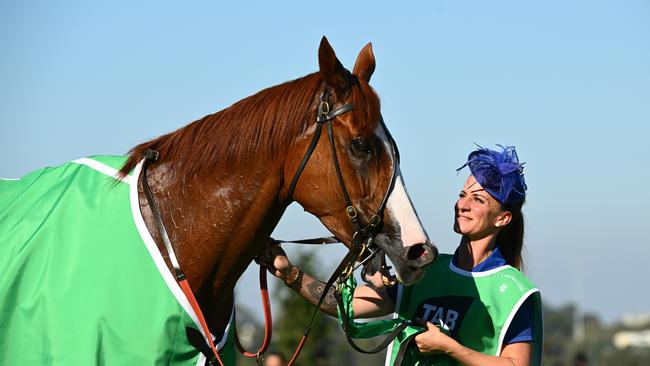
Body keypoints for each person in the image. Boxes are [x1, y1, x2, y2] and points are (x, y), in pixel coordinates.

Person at [258, 145, 543, 366]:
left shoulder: (515, 292)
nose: (462, 205)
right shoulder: (424, 270)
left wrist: (449, 347)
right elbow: (343, 307)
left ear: (503, 218)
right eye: (462, 194)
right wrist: (289, 273)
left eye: (478, 199)